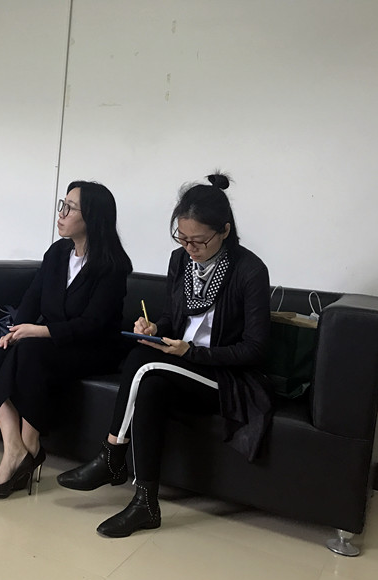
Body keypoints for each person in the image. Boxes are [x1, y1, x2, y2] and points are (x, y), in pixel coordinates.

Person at [57, 172, 272, 537]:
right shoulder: (180, 261)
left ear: (224, 230)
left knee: (143, 363)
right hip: (179, 363)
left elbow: (255, 349)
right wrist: (155, 329)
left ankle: (111, 455)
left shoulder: (250, 271)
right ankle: (145, 504)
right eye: (182, 238)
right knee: (149, 381)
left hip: (225, 378)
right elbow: (174, 319)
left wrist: (192, 352)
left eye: (199, 241)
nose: (190, 248)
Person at [0, 180, 133, 498]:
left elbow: (93, 324)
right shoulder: (58, 253)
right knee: (0, 353)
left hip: (93, 347)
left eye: (70, 208)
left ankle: (29, 446)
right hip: (54, 341)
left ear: (92, 217)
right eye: (63, 205)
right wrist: (16, 330)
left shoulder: (112, 266)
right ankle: (15, 449)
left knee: (32, 351)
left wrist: (38, 331)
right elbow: (32, 298)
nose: (61, 213)